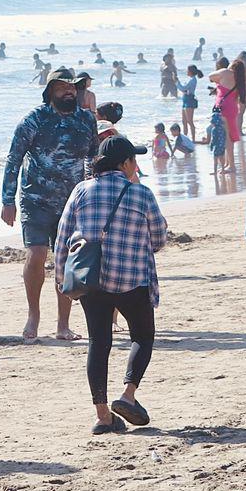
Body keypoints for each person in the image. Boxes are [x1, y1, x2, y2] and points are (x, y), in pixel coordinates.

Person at [54, 135, 166, 434]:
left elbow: (63, 237)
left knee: (98, 343)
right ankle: (128, 395)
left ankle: (103, 416)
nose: (136, 164)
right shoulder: (141, 194)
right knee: (142, 336)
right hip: (133, 280)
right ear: (125, 163)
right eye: (134, 159)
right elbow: (158, 240)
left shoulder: (80, 191)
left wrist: (61, 276)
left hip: (92, 280)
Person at [2, 68, 99, 342]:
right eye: (62, 87)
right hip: (35, 199)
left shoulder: (85, 120)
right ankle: (33, 316)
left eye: (72, 88)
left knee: (65, 260)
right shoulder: (34, 120)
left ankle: (63, 324)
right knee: (36, 255)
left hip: (72, 202)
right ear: (50, 91)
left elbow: (93, 160)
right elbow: (14, 160)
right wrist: (7, 200)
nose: (69, 91)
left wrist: (94, 193)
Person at [180, 64, 202, 137]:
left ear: (190, 71)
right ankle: (185, 137)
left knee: (189, 121)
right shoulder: (190, 79)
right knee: (184, 121)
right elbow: (185, 89)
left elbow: (183, 88)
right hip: (185, 99)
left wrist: (177, 82)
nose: (186, 71)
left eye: (187, 70)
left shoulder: (193, 80)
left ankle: (193, 138)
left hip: (189, 100)